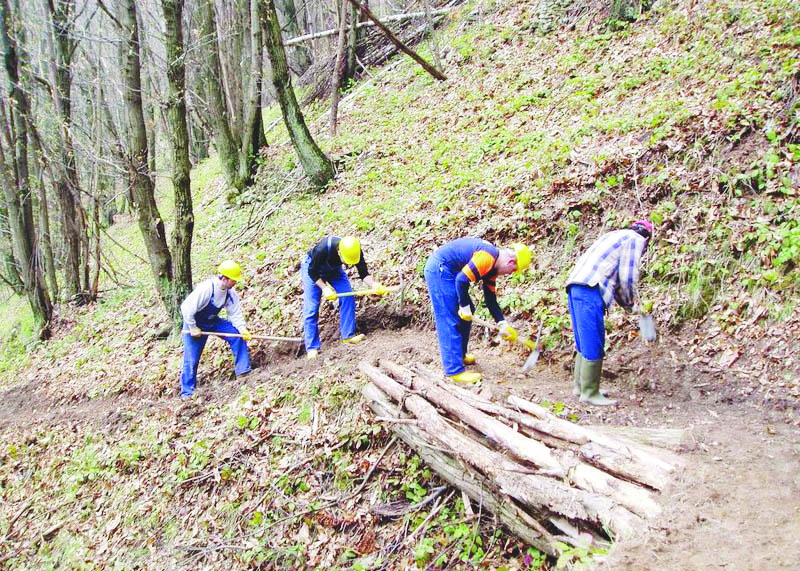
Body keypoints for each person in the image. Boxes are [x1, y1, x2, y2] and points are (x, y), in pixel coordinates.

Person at [565, 220, 653, 406]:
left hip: (576, 285)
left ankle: (580, 386)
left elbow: (616, 278)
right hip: (591, 289)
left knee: (584, 338)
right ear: (646, 238)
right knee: (594, 339)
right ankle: (589, 393)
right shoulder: (635, 239)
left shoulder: (614, 235)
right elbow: (627, 277)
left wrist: (627, 305)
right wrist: (630, 303)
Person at [424, 238, 532, 384]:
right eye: (512, 271)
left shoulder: (492, 268)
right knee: (450, 316)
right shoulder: (488, 257)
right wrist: (464, 307)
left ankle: (460, 355)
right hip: (440, 269)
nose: (509, 274)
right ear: (511, 262)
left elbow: (490, 299)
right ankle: (453, 370)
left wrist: (502, 324)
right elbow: (461, 281)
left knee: (468, 311)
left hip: (452, 271)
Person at [301, 236, 387, 359]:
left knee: (348, 296)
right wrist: (324, 288)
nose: (348, 264)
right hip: (312, 269)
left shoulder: (355, 251)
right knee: (312, 307)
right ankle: (312, 348)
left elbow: (363, 273)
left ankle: (348, 336)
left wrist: (374, 285)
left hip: (334, 270)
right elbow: (312, 272)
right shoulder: (323, 248)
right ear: (339, 252)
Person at [180, 260, 252, 400]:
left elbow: (235, 312)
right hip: (194, 322)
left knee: (236, 336)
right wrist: (193, 327)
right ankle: (187, 393)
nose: (235, 283)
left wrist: (242, 329)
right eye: (233, 280)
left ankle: (243, 371)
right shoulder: (206, 289)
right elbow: (186, 309)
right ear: (224, 278)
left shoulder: (230, 293)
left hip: (212, 320)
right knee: (191, 358)